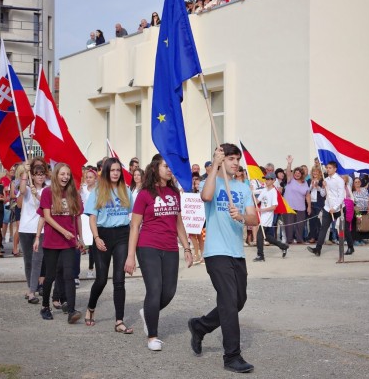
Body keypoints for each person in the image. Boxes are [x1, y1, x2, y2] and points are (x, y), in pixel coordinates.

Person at [187, 144, 257, 373]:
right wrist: (214, 167)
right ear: (221, 160)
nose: (235, 162)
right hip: (216, 252)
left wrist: (242, 216)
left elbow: (254, 218)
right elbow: (205, 196)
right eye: (230, 158)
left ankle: (200, 326)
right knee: (228, 301)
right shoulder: (213, 181)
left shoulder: (243, 187)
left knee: (238, 302)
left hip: (237, 252)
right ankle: (232, 357)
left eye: (237, 158)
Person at [124, 154, 193, 351]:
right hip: (148, 246)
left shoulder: (174, 192)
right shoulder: (145, 194)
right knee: (154, 289)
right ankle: (152, 336)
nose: (170, 169)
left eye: (171, 166)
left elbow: (178, 222)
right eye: (166, 165)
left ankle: (147, 312)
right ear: (155, 168)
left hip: (170, 247)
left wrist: (187, 247)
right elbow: (135, 226)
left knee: (169, 292)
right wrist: (130, 256)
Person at [84, 158, 133, 331]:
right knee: (102, 279)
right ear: (106, 171)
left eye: (118, 170)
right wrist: (96, 238)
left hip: (122, 235)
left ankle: (119, 321)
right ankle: (91, 307)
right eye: (112, 170)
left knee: (119, 280)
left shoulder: (125, 190)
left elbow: (131, 215)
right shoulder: (97, 191)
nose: (115, 173)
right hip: (102, 235)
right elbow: (92, 217)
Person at [35, 163, 85, 323]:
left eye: (68, 175)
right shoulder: (47, 192)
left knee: (69, 275)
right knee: (50, 276)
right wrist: (38, 237)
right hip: (52, 241)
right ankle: (45, 307)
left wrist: (80, 238)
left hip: (69, 242)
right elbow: (46, 217)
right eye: (62, 174)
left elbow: (76, 217)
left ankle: (71, 310)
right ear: (56, 175)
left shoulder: (73, 194)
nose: (65, 177)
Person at [18, 163, 47, 304]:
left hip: (40, 230)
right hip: (25, 228)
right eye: (37, 174)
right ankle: (31, 287)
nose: (40, 176)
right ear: (33, 176)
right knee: (28, 261)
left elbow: (48, 206)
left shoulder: (47, 190)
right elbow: (22, 190)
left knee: (37, 260)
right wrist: (25, 172)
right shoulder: (29, 189)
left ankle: (32, 292)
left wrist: (39, 196)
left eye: (42, 174)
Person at [307, 161, 345, 257]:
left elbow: (341, 196)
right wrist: (321, 187)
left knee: (344, 229)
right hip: (327, 207)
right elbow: (324, 193)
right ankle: (318, 249)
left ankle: (351, 246)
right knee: (323, 228)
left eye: (330, 168)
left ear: (335, 169)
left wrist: (335, 207)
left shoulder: (339, 180)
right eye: (327, 167)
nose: (328, 169)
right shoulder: (326, 179)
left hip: (338, 208)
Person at [253, 172, 289, 262]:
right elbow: (257, 201)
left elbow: (274, 206)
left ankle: (260, 255)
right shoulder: (264, 190)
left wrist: (261, 210)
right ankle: (283, 246)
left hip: (267, 216)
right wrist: (252, 195)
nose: (267, 181)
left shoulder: (274, 192)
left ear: (273, 180)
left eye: (269, 179)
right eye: (266, 179)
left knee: (259, 236)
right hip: (262, 216)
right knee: (268, 237)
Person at [284, 155, 311, 244]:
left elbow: (307, 195)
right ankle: (289, 240)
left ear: (302, 174)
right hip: (289, 206)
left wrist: (309, 207)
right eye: (296, 172)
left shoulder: (305, 183)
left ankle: (300, 240)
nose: (297, 174)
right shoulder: (290, 180)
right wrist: (289, 163)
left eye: (299, 173)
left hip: (301, 207)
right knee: (289, 225)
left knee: (300, 225)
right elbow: (288, 172)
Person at [81, 168, 98, 279]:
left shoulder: (98, 190)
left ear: (95, 179)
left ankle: (91, 268)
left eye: (90, 177)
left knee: (93, 246)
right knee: (83, 244)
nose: (88, 179)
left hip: (93, 219)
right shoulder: (82, 189)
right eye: (87, 177)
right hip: (82, 219)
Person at [307, 167, 326, 243]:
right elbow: (307, 192)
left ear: (320, 173)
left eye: (316, 172)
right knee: (312, 221)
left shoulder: (322, 181)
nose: (315, 173)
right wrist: (311, 186)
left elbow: (323, 194)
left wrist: (317, 187)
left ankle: (319, 238)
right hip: (311, 203)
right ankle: (312, 237)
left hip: (319, 204)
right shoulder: (309, 181)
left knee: (318, 221)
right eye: (314, 171)